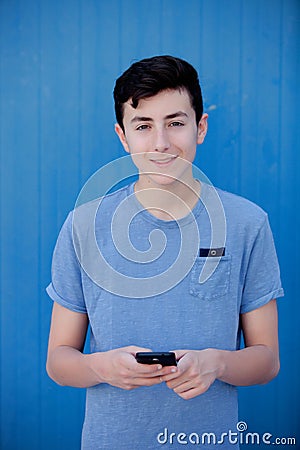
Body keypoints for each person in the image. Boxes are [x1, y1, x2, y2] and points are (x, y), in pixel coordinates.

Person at [46, 55, 284, 449]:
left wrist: (218, 363)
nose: (161, 142)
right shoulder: (82, 226)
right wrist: (99, 367)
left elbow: (267, 360)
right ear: (123, 137)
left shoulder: (247, 223)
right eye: (143, 126)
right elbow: (58, 360)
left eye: (175, 122)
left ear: (200, 128)